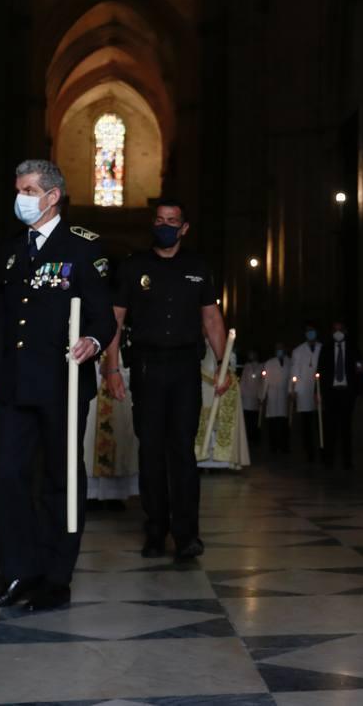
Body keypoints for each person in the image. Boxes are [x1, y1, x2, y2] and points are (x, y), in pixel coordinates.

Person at [0, 160, 116, 612]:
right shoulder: (11, 251)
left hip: (61, 383)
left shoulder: (83, 248)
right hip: (14, 385)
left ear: (53, 196)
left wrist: (93, 342)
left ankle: (56, 577)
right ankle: (21, 571)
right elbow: (1, 321)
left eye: (30, 189)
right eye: (19, 188)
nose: (22, 197)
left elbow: (102, 317)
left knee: (60, 480)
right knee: (3, 471)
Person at [109, 198, 230, 561]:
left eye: (172, 221)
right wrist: (111, 368)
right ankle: (155, 530)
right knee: (151, 452)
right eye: (160, 219)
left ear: (184, 227)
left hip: (184, 369)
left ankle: (187, 534)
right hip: (146, 366)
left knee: (182, 452)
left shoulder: (198, 267)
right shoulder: (133, 267)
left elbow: (211, 320)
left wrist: (224, 365)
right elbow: (114, 321)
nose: (165, 225)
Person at [88, 333, 139, 508]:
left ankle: (114, 494)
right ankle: (89, 493)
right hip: (90, 363)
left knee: (118, 426)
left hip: (117, 363)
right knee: (88, 432)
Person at [317, 321, 363, 469]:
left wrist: (359, 390)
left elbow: (360, 369)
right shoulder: (326, 348)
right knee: (330, 427)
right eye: (335, 329)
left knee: (346, 427)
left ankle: (347, 461)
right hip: (331, 393)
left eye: (340, 329)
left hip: (347, 392)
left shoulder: (353, 348)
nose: (338, 332)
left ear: (345, 331)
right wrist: (317, 392)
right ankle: (329, 459)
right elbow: (320, 371)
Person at [195, 341, 250, 470]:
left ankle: (223, 460)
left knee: (218, 423)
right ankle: (200, 458)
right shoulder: (197, 344)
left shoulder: (222, 348)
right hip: (202, 390)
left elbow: (229, 367)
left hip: (218, 389)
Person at [289, 324, 323, 461]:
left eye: (312, 331)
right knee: (306, 423)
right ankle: (309, 451)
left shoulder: (322, 348)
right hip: (303, 389)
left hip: (318, 388)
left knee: (319, 420)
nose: (311, 333)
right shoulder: (298, 351)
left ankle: (321, 448)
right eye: (308, 331)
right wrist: (292, 390)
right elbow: (294, 371)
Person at [260, 343, 292, 453]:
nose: (280, 350)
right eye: (278, 349)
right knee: (272, 423)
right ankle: (273, 446)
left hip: (283, 394)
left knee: (283, 423)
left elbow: (290, 379)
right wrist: (263, 395)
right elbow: (266, 380)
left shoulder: (289, 362)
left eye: (281, 348)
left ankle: (284, 446)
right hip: (272, 394)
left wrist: (290, 392)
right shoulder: (269, 363)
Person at [239, 349, 263, 446]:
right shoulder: (246, 366)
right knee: (247, 418)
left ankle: (255, 437)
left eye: (253, 354)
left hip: (255, 396)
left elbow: (262, 382)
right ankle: (247, 437)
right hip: (246, 397)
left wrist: (261, 395)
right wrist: (240, 394)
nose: (251, 356)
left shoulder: (261, 366)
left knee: (255, 419)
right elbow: (243, 381)